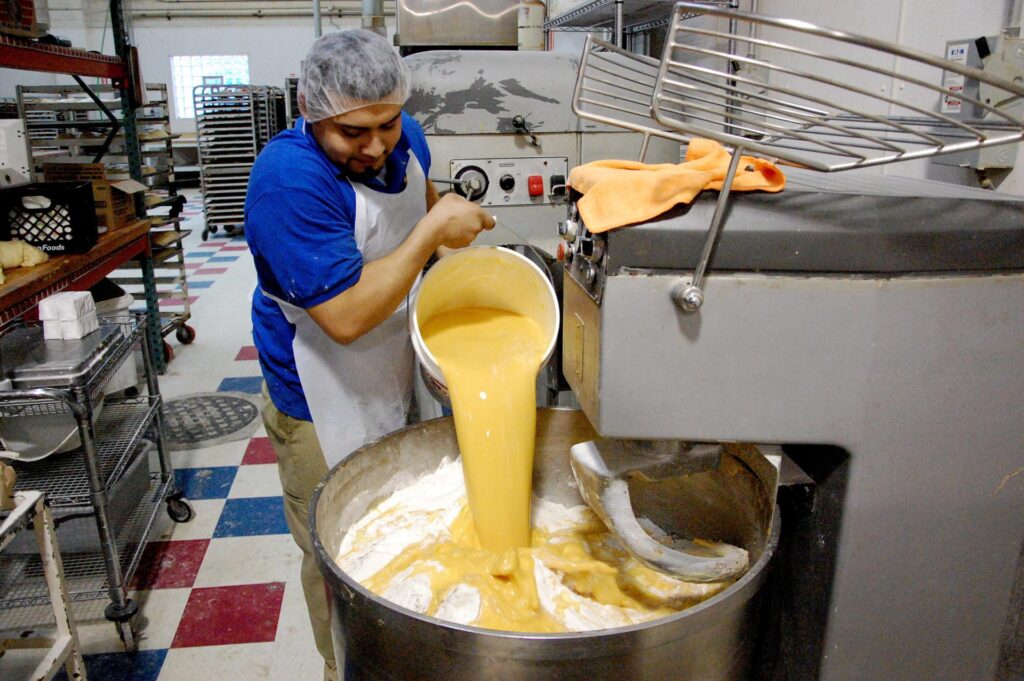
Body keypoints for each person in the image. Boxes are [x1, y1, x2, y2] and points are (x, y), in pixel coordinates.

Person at [243, 29, 494, 680]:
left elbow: (422, 210)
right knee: (341, 550)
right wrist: (433, 232)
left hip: (392, 361)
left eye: (388, 123)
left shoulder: (405, 140)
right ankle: (349, 666)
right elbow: (347, 317)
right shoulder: (288, 181)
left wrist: (456, 255)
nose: (377, 145)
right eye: (353, 132)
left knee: (408, 520)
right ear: (310, 110)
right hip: (318, 390)